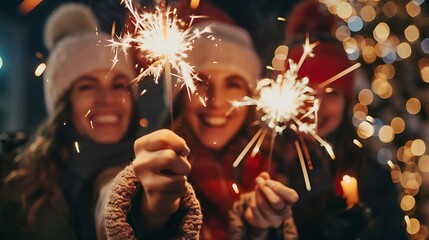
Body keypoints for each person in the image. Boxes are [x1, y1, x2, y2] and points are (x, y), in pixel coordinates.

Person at [102, 19, 300, 239]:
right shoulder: (149, 161)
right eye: (200, 83)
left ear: (250, 98)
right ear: (180, 100)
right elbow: (105, 206)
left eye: (232, 84)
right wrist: (147, 210)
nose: (215, 101)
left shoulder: (282, 166)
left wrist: (262, 229)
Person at [0, 3, 152, 239]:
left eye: (119, 85)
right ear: (63, 103)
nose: (107, 99)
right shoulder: (16, 179)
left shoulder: (157, 169)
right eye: (87, 86)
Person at [277, 1, 408, 239]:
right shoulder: (266, 165)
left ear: (346, 102)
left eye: (331, 93)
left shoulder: (371, 177)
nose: (316, 107)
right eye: (306, 92)